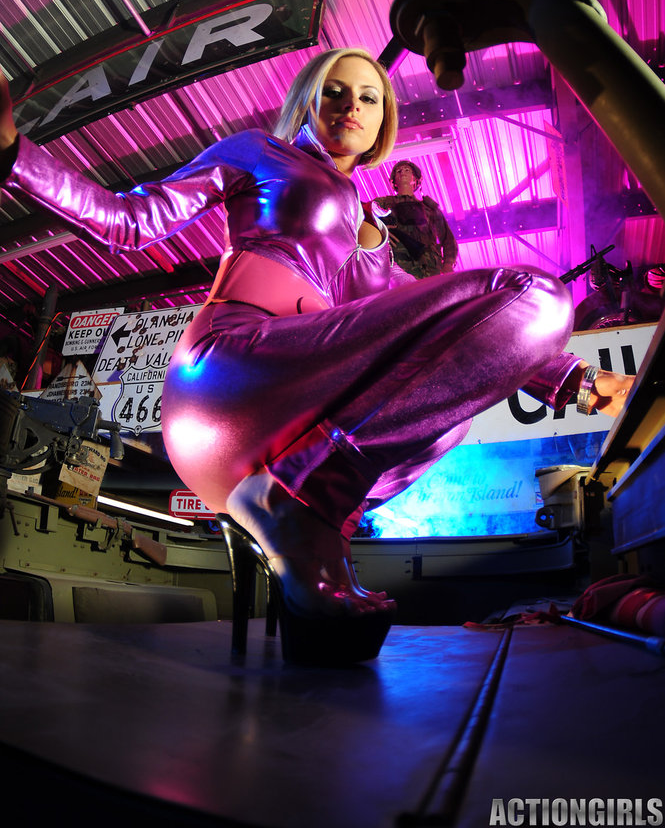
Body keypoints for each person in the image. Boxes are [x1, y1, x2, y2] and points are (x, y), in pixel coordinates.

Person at [0, 49, 634, 664]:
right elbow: (129, 220)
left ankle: (307, 514)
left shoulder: (377, 235)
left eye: (369, 97)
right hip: (235, 372)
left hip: (299, 405)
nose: (350, 106)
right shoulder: (260, 152)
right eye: (334, 90)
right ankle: (295, 494)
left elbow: (456, 327)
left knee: (453, 406)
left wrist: (579, 381)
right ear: (306, 100)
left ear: (384, 120)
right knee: (536, 293)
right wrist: (13, 153)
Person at [373, 161, 458, 277]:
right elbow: (363, 215)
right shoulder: (384, 203)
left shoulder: (430, 208)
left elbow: (448, 239)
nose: (402, 172)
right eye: (398, 171)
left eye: (407, 170)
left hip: (429, 268)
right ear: (394, 182)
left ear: (416, 179)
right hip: (399, 268)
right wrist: (381, 229)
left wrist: (448, 263)